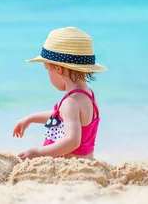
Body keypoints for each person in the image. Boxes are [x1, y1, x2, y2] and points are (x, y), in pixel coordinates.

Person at [13, 27, 108, 160]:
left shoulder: (71, 103)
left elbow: (72, 141)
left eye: (47, 69)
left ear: (58, 69)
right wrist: (31, 118)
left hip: (70, 165)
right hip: (86, 162)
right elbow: (62, 117)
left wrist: (39, 152)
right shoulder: (87, 95)